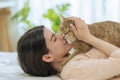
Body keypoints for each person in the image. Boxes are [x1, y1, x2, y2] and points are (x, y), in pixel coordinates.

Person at [17, 17, 120, 80]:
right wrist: (89, 38)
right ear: (48, 57)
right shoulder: (73, 69)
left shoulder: (74, 54)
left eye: (55, 33)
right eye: (54, 39)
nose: (61, 36)